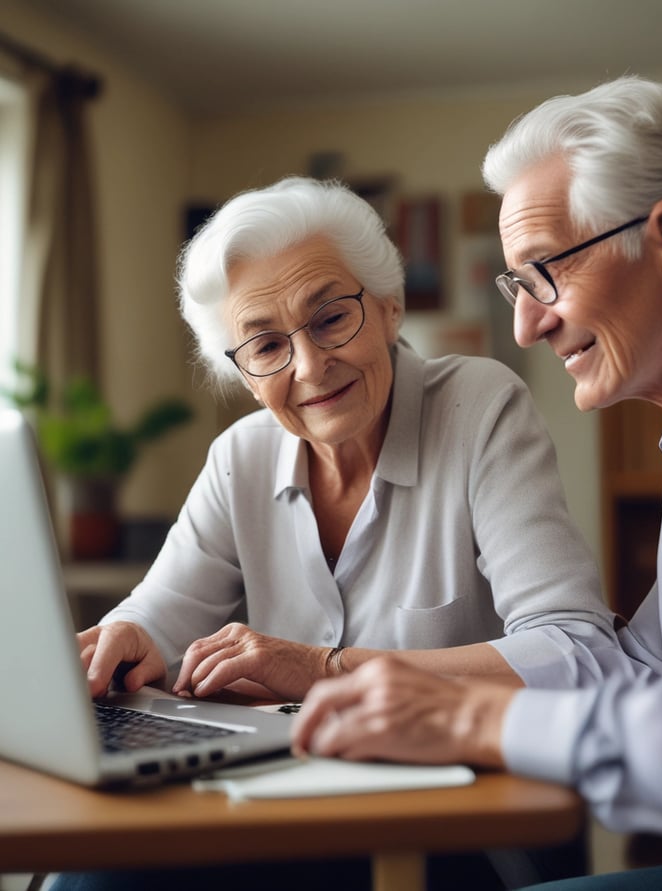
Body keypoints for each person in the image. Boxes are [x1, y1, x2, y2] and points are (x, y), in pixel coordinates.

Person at [52, 176, 624, 891]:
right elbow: (159, 613)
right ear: (245, 374)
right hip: (289, 810)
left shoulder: (479, 408)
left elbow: (578, 652)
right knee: (99, 875)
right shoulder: (239, 457)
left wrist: (325, 668)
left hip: (462, 820)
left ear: (389, 307)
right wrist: (126, 637)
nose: (310, 366)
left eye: (330, 319)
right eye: (266, 345)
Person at [293, 76, 662, 891]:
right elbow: (640, 667)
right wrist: (338, 672)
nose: (526, 324)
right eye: (517, 285)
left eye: (545, 271)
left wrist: (467, 717)